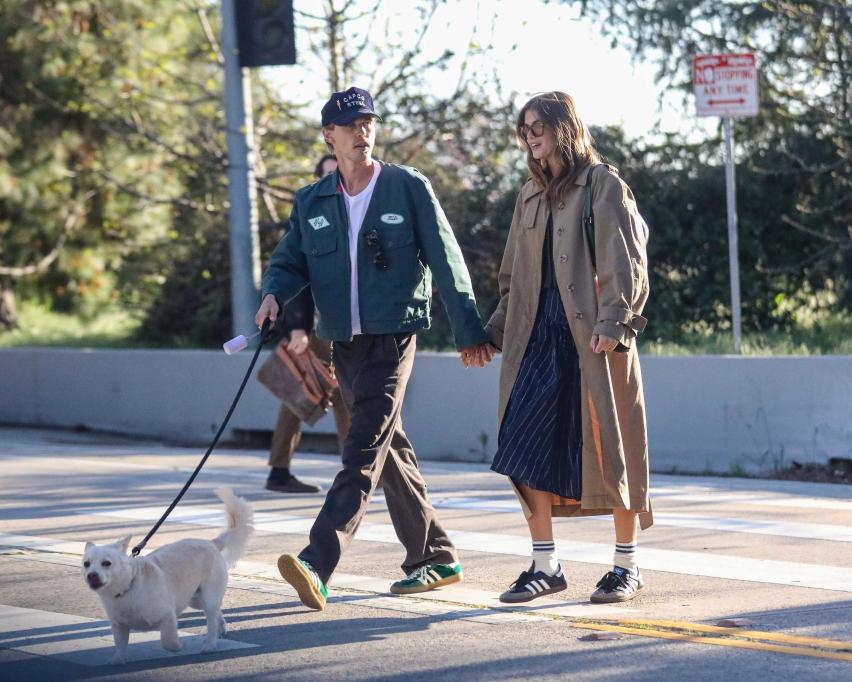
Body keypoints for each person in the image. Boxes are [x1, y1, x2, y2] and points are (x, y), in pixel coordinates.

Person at [256, 86, 496, 611]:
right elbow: (289, 260)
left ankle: (318, 562)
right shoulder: (312, 199)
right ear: (329, 136)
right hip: (343, 341)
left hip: (393, 336)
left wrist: (470, 329)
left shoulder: (406, 187)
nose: (362, 131)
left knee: (362, 447)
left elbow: (447, 258)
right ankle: (435, 555)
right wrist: (273, 293)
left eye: (368, 122)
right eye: (350, 124)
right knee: (390, 447)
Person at [484, 91, 652, 604]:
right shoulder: (528, 194)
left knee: (612, 450)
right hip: (536, 341)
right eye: (525, 128)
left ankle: (626, 566)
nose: (531, 135)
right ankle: (545, 564)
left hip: (594, 342)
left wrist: (615, 321)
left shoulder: (602, 184)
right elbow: (512, 280)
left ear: (564, 126)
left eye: (539, 125)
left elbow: (627, 262)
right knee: (519, 446)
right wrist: (489, 335)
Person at [263, 154, 350, 494]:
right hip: (314, 327)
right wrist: (297, 327)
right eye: (327, 174)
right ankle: (350, 470)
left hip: (345, 323)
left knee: (335, 393)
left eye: (338, 172)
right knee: (302, 392)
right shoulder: (310, 209)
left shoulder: (355, 209)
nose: (334, 179)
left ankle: (350, 470)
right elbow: (295, 270)